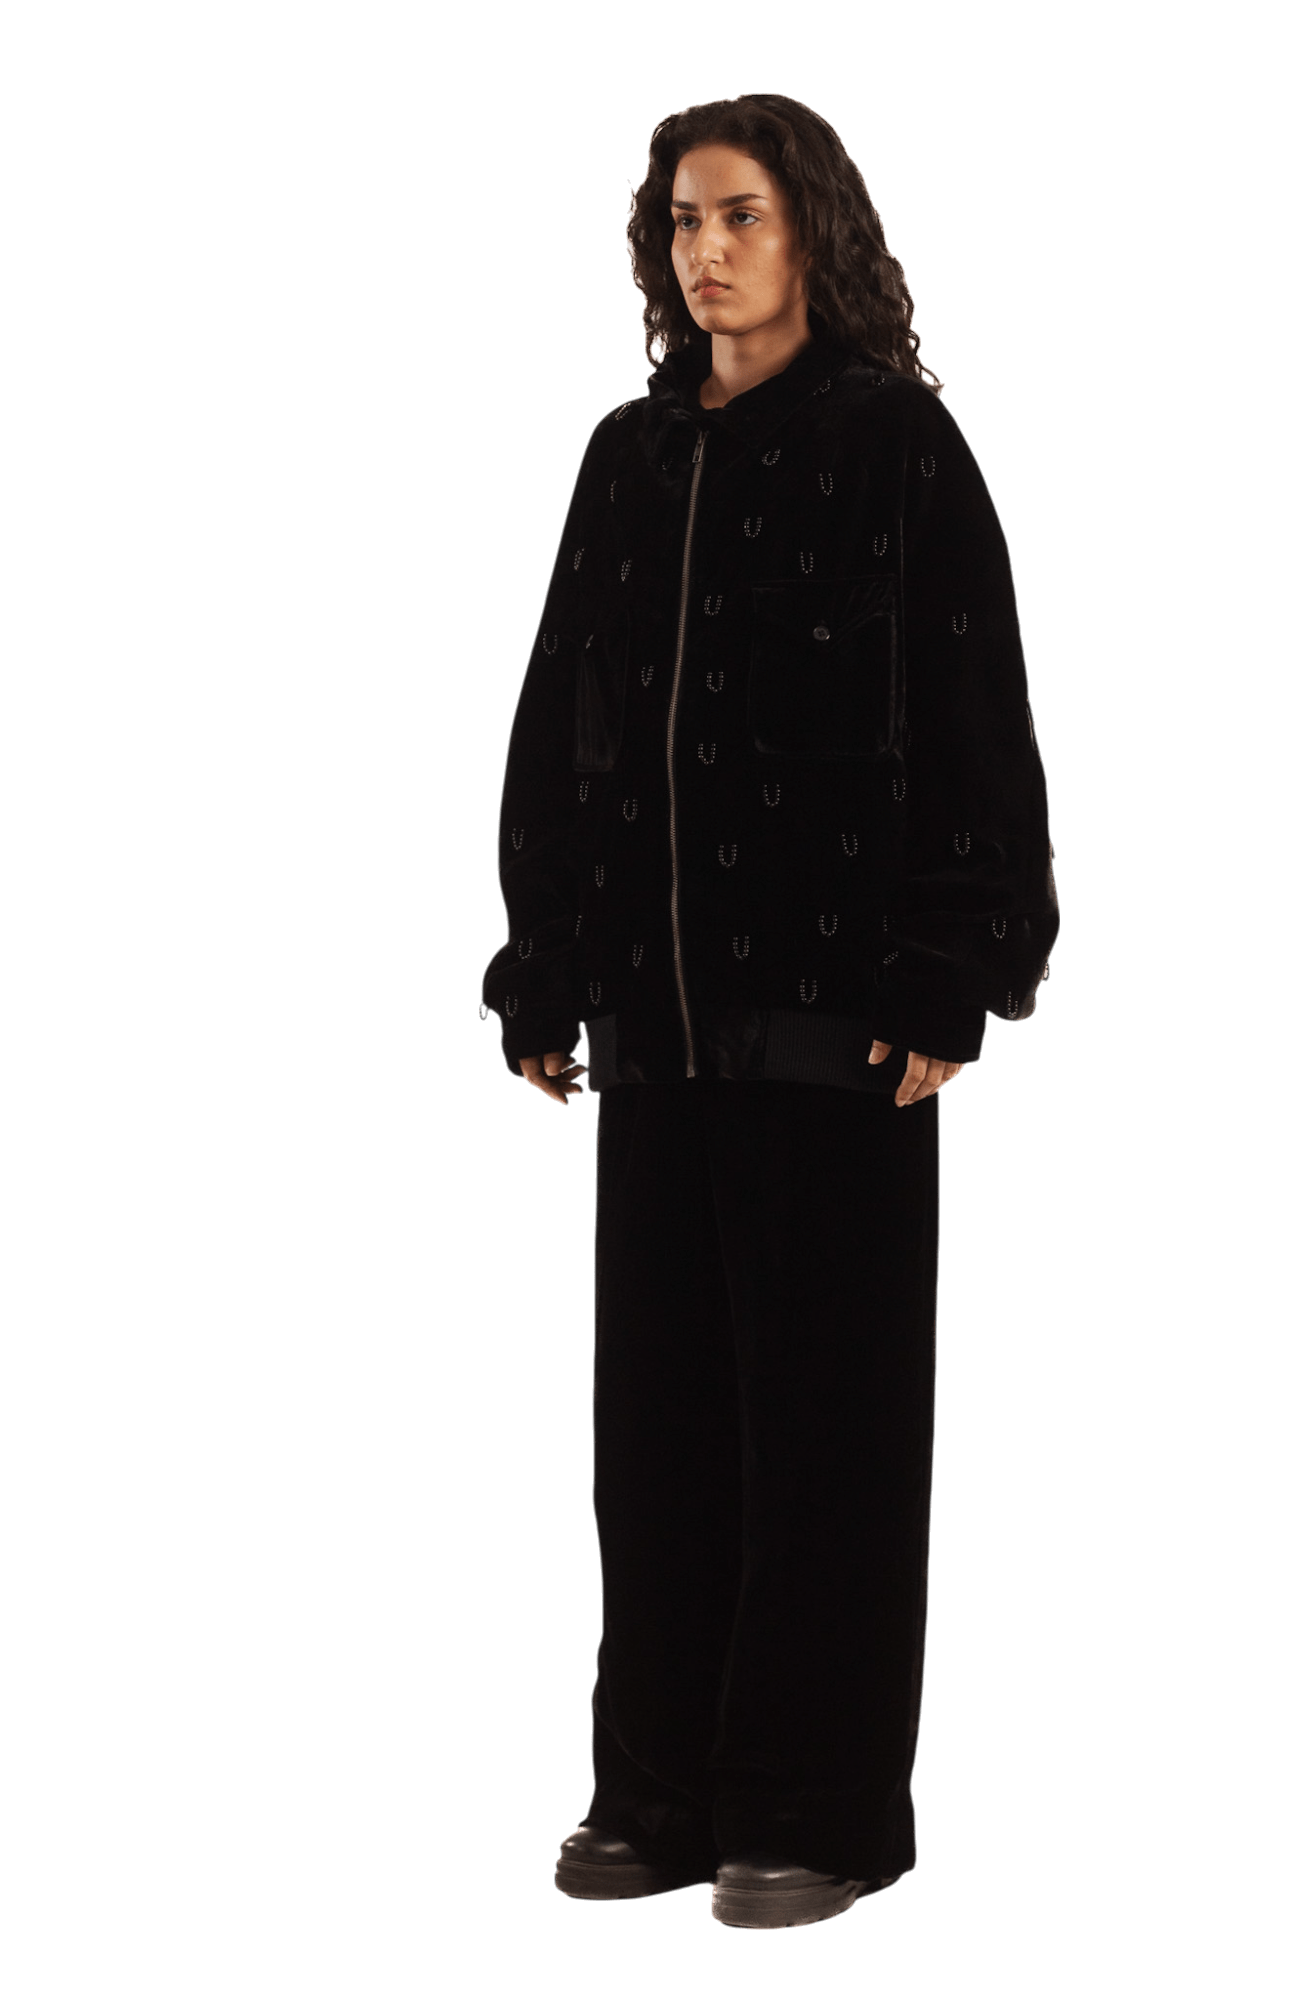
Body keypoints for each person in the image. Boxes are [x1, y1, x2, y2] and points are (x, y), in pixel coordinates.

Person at [479, 91, 1059, 1930]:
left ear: (814, 229)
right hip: (651, 1035)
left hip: (839, 1036)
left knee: (828, 1438)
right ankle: (654, 1792)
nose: (705, 249)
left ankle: (816, 1812)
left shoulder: (898, 445)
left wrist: (955, 967)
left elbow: (979, 719)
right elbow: (559, 715)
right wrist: (545, 964)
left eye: (738, 214)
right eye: (681, 221)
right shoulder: (626, 457)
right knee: (654, 1435)